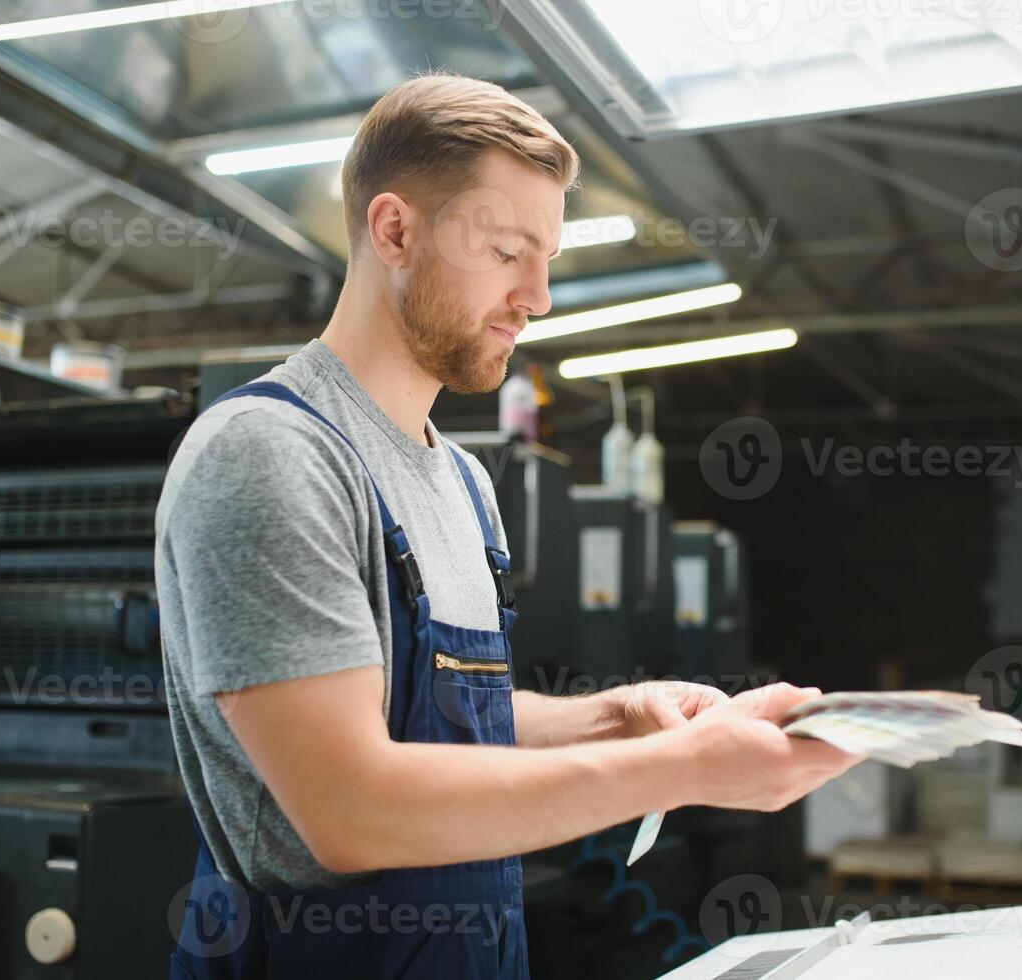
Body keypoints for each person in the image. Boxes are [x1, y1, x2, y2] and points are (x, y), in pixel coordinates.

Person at [158, 71, 860, 980]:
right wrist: (684, 772)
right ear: (394, 231)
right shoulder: (271, 454)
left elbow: (449, 727)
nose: (539, 296)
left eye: (548, 259)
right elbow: (350, 807)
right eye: (504, 251)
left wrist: (621, 722)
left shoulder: (462, 482)